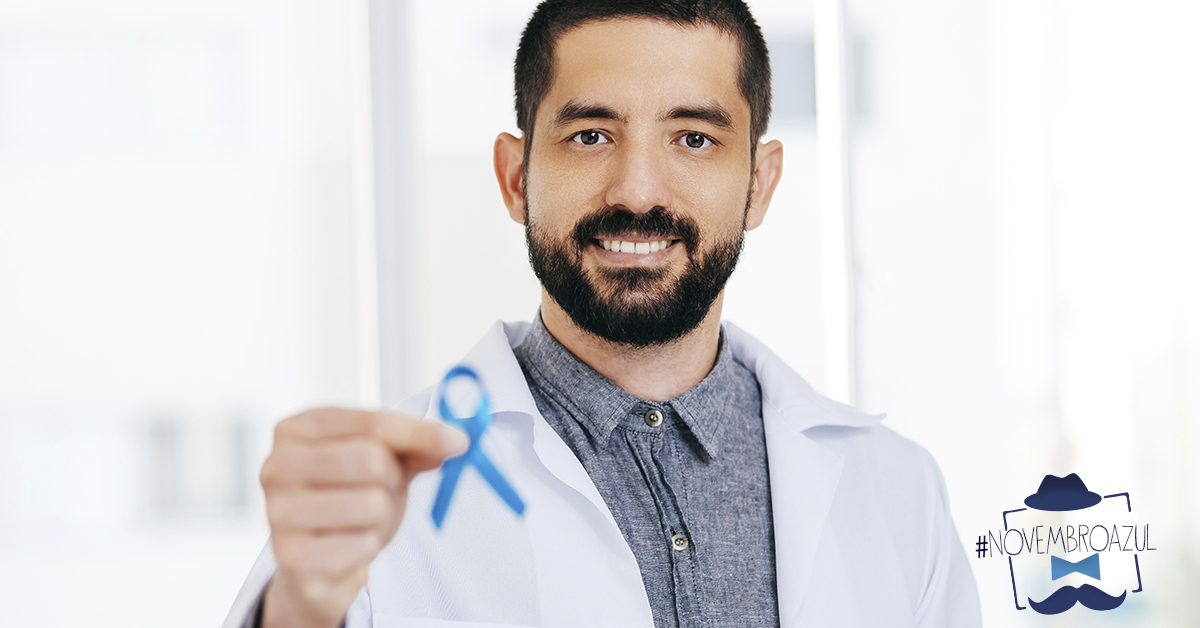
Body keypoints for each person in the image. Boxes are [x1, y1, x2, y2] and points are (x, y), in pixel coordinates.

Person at [225, 1, 982, 626]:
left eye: (693, 138)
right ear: (516, 177)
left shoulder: (895, 492)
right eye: (591, 135)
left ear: (759, 182)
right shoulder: (384, 509)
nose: (637, 189)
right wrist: (299, 608)